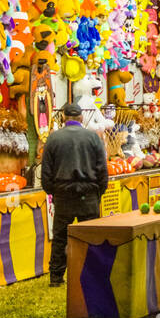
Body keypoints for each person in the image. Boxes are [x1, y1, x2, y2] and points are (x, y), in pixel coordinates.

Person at [41, 101, 109, 286]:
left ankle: (56, 278)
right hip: (89, 195)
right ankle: (93, 275)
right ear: (81, 118)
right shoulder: (93, 137)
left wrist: (54, 192)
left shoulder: (54, 139)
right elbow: (103, 170)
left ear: (63, 117)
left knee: (60, 238)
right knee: (91, 237)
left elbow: (45, 173)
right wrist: (98, 193)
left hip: (64, 196)